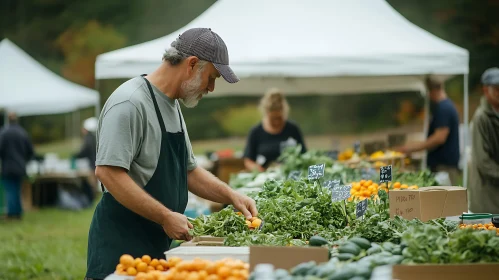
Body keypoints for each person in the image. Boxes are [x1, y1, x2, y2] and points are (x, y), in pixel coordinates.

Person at [85, 28, 257, 280]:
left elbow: (189, 171)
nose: (210, 88)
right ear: (192, 64)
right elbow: (108, 173)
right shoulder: (130, 102)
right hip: (121, 245)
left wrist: (232, 196)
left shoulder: (172, 105)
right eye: (212, 77)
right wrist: (165, 216)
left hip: (156, 242)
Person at [397, 76, 460, 185]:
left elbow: (439, 138)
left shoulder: (443, 108)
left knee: (445, 199)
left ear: (432, 91)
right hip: (444, 165)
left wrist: (412, 148)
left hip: (444, 167)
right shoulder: (445, 106)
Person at [243, 88, 307, 171]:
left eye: (279, 118)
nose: (276, 122)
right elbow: (248, 160)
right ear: (266, 113)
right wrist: (260, 171)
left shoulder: (293, 129)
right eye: (273, 119)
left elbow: (303, 154)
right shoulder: (256, 131)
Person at [468, 67, 499, 214]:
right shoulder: (481, 118)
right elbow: (483, 161)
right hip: (488, 193)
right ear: (486, 90)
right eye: (496, 88)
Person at [0, 112, 34, 220]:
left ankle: (12, 214)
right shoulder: (23, 132)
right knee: (17, 190)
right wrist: (24, 160)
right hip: (20, 166)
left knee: (10, 190)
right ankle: (18, 212)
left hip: (8, 166)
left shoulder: (4, 132)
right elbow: (30, 151)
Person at [72, 117, 98, 206]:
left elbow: (84, 151)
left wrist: (76, 155)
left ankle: (92, 198)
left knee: (92, 182)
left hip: (93, 163)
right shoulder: (95, 137)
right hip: (97, 162)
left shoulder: (88, 138)